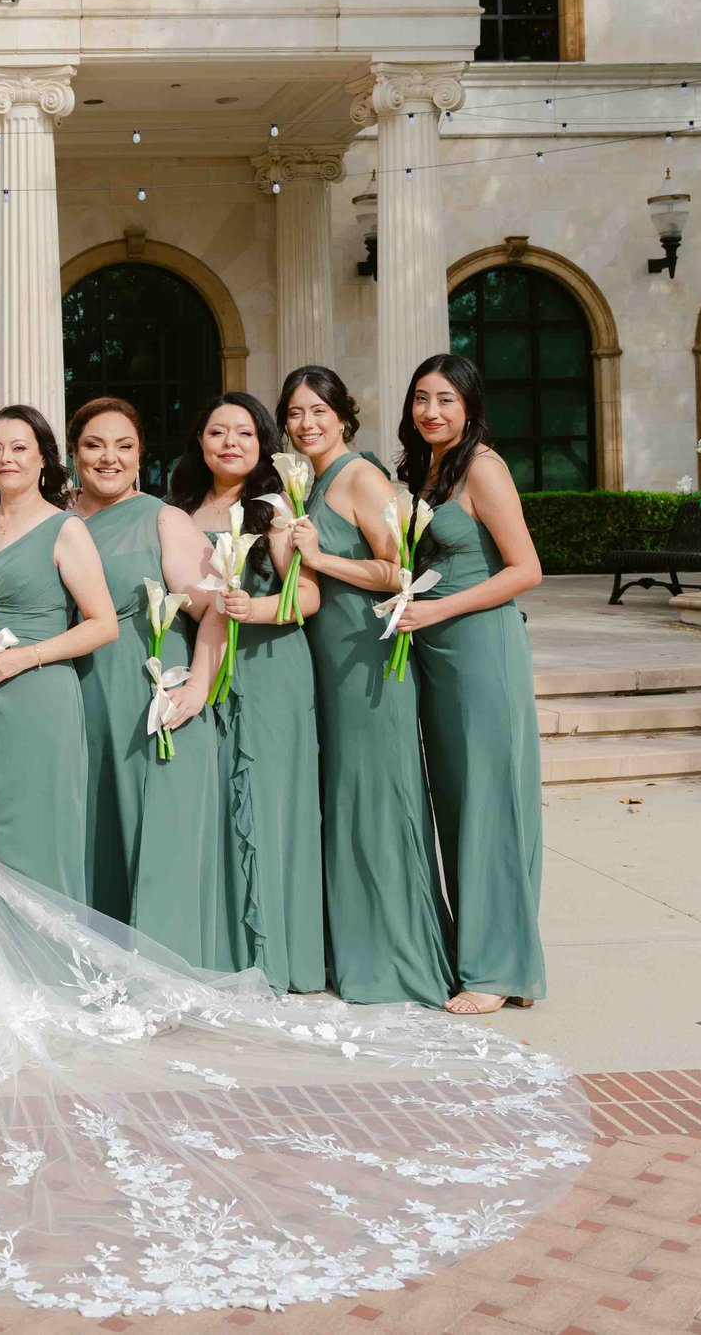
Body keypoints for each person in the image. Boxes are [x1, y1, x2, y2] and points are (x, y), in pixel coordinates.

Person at [0, 371, 593, 1318]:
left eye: (25, 449)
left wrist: (195, 676)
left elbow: (191, 605)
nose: (2, 460)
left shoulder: (33, 526)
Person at [282, 366, 453, 1009]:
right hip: (327, 659)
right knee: (345, 800)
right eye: (296, 413)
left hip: (368, 659)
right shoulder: (308, 482)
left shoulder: (360, 476)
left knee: (376, 800)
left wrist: (321, 558)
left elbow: (399, 568)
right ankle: (351, 947)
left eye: (319, 411)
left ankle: (395, 958)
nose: (308, 424)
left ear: (344, 415)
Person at [395, 354, 548, 1014]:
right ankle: (479, 951)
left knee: (490, 803)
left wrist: (440, 609)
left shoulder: (482, 467)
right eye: (422, 398)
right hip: (435, 654)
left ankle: (497, 967)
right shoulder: (428, 471)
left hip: (481, 649)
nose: (432, 410)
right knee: (459, 804)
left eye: (446, 400)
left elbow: (527, 569)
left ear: (470, 406)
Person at [66, 397, 237, 967]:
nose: (108, 458)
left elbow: (214, 607)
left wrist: (198, 689)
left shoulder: (163, 519)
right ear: (73, 453)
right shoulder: (57, 519)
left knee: (156, 842)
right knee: (96, 837)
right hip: (81, 704)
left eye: (124, 445)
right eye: (94, 445)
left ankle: (164, 977)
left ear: (142, 455)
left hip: (150, 704)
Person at [169, 391, 323, 994]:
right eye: (216, 433)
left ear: (262, 444)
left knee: (267, 802)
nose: (229, 443)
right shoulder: (177, 509)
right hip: (199, 666)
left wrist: (249, 608)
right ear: (199, 443)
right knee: (213, 806)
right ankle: (223, 949)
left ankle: (276, 956)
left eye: (243, 434)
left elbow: (305, 597)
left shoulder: (273, 509)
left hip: (267, 666)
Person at [0, 404, 118, 902]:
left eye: (19, 448)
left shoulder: (66, 529)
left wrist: (25, 657)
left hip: (40, 697)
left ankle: (51, 964)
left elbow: (103, 625)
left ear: (43, 458)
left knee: (39, 832)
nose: (6, 459)